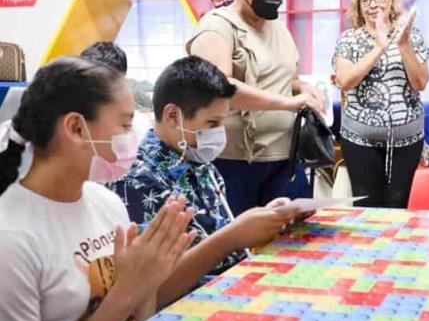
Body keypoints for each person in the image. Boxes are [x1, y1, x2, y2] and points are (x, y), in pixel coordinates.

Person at [0, 57, 195, 321]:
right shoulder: (11, 239)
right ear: (76, 128)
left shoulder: (105, 201)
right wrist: (127, 291)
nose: (133, 137)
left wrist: (147, 280)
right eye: (126, 124)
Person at [109, 55, 297, 286]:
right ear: (172, 116)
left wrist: (260, 221)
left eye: (222, 123)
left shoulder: (200, 164)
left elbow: (211, 235)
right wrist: (232, 237)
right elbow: (156, 286)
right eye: (212, 124)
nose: (219, 134)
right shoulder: (137, 180)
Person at [188, 0, 324, 215]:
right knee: (240, 244)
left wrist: (306, 89)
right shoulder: (217, 26)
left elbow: (289, 78)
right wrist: (287, 103)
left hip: (285, 156)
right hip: (235, 160)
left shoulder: (278, 28)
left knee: (293, 237)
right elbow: (218, 85)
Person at [333, 0, 429, 208]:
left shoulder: (411, 35)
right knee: (366, 203)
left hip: (407, 138)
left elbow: (420, 83)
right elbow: (345, 81)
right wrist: (379, 46)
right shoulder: (349, 39)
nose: (373, 4)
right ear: (358, 7)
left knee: (399, 203)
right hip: (360, 139)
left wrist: (403, 45)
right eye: (366, 0)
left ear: (390, 0)